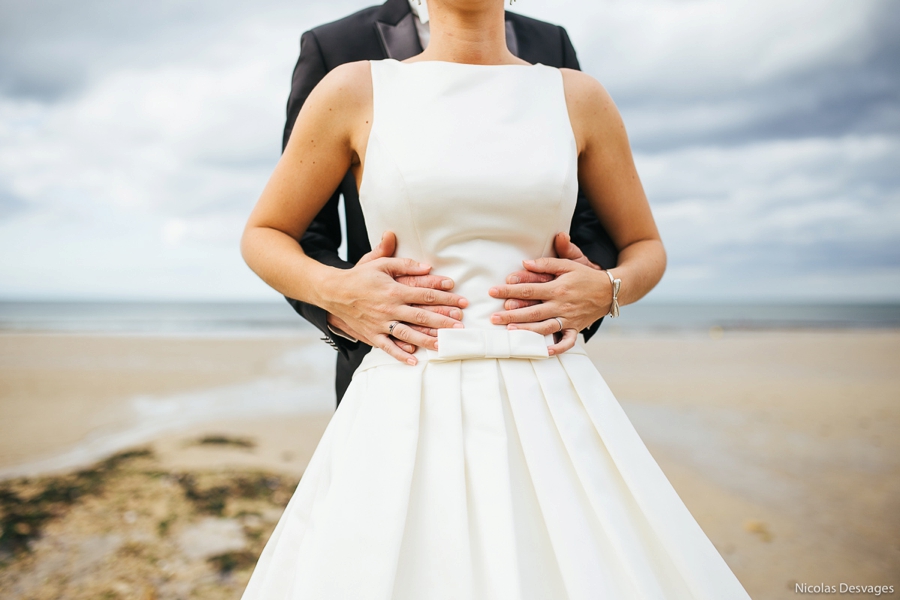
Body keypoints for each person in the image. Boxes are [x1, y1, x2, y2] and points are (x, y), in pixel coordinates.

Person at [239, 0, 752, 597]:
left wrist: (605, 290)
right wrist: (343, 292)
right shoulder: (353, 85)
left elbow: (642, 245)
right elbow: (266, 233)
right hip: (407, 386)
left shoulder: (577, 96)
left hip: (550, 389)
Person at [281, 0, 619, 405]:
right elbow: (296, 229)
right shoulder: (337, 51)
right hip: (397, 361)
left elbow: (594, 219)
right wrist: (343, 301)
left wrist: (592, 296)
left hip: (544, 367)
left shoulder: (553, 51)